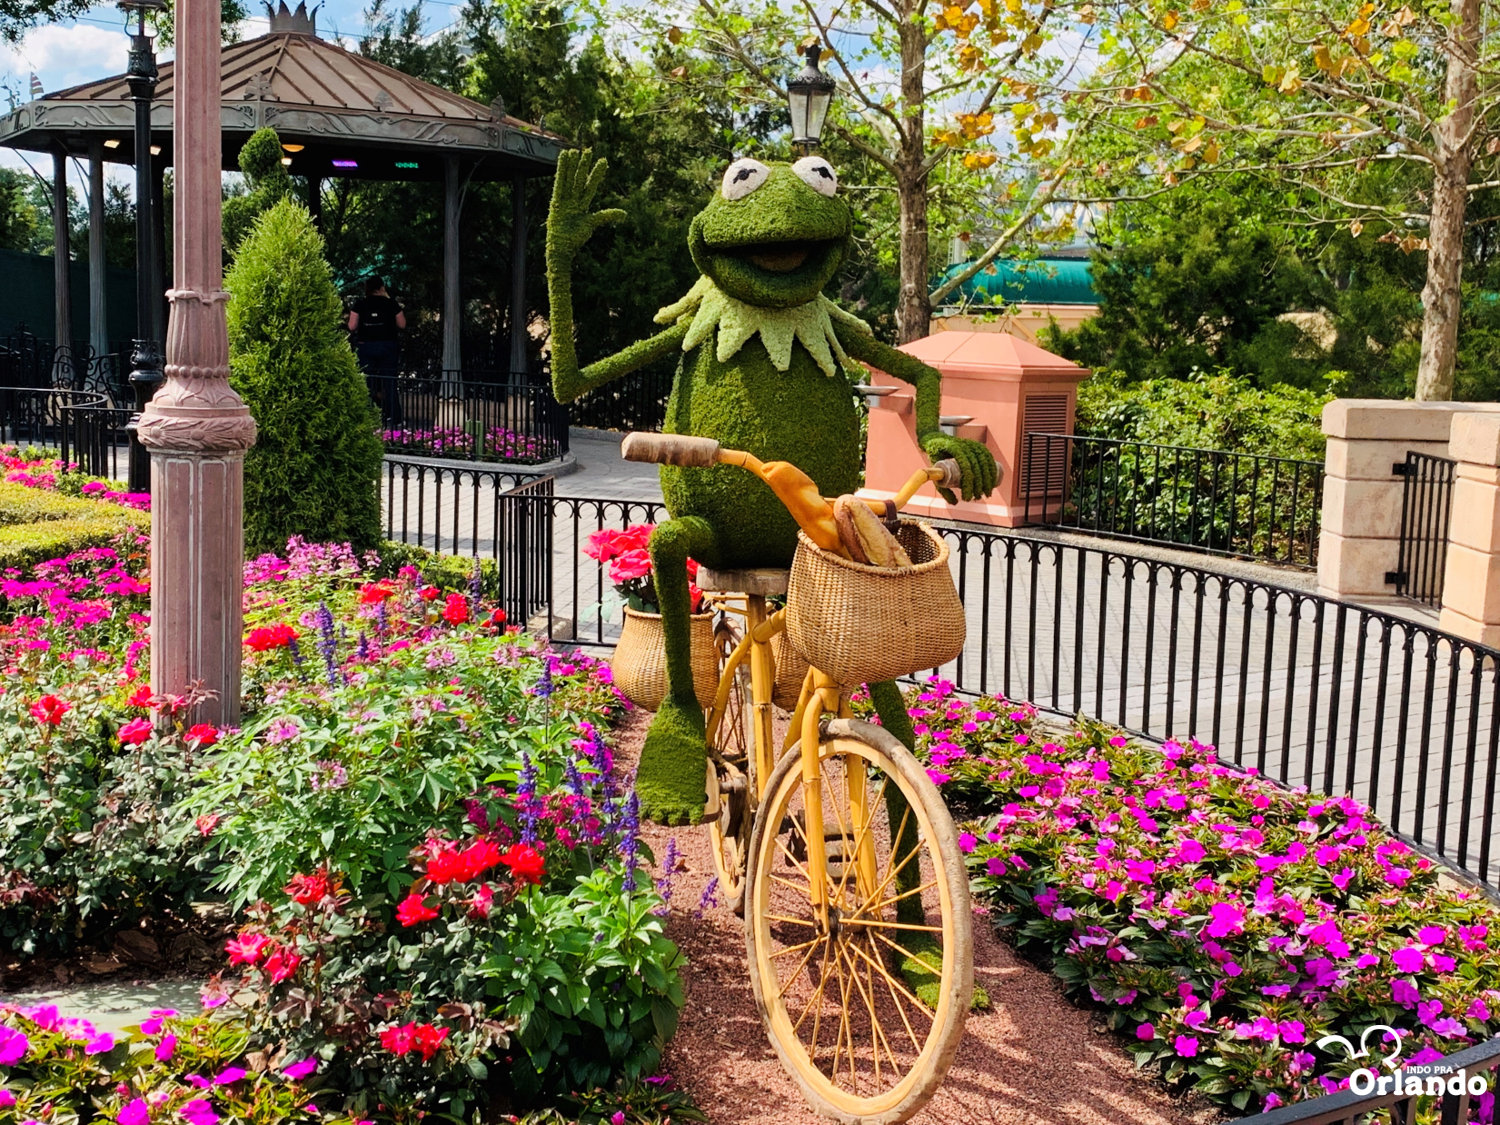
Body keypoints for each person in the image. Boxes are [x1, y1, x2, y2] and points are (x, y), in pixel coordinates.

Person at [348, 275, 406, 426]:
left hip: (366, 345)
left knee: (367, 382)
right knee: (390, 382)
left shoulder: (360, 304)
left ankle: (368, 416)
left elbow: (352, 326)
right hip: (388, 345)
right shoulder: (391, 304)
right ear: (382, 287)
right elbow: (402, 324)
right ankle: (395, 418)